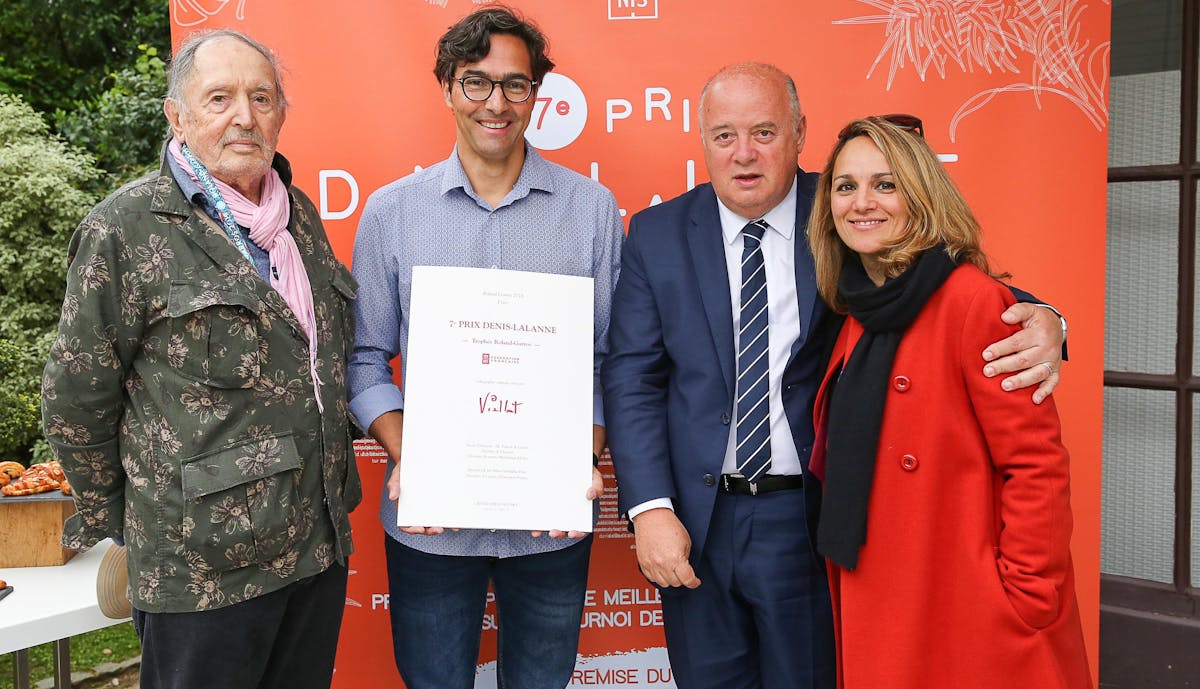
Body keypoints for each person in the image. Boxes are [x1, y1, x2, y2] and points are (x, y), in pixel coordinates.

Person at [601, 63, 1066, 689]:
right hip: (695, 524)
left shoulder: (846, 210)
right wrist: (650, 510)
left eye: (764, 131)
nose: (744, 154)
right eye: (723, 135)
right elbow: (633, 377)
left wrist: (1047, 319)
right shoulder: (654, 235)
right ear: (703, 139)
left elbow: (945, 280)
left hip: (813, 519)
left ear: (799, 133)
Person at [40, 29, 360, 689]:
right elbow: (76, 401)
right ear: (177, 115)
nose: (244, 115)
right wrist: (132, 522)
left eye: (261, 97)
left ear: (280, 114)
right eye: (219, 98)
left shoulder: (297, 218)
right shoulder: (124, 229)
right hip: (202, 572)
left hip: (315, 549)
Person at [346, 7, 623, 689]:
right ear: (446, 87)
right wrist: (418, 456)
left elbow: (612, 359)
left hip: (550, 524)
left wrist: (580, 455)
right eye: (475, 83)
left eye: (515, 85)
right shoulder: (391, 212)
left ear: (537, 93)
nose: (495, 104)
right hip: (432, 525)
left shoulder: (591, 210)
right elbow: (362, 359)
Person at [805, 115, 1091, 688]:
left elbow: (1036, 465)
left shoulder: (973, 303)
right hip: (876, 580)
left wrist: (1026, 597)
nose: (863, 202)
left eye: (886, 184)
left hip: (966, 600)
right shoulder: (857, 305)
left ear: (922, 194)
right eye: (846, 185)